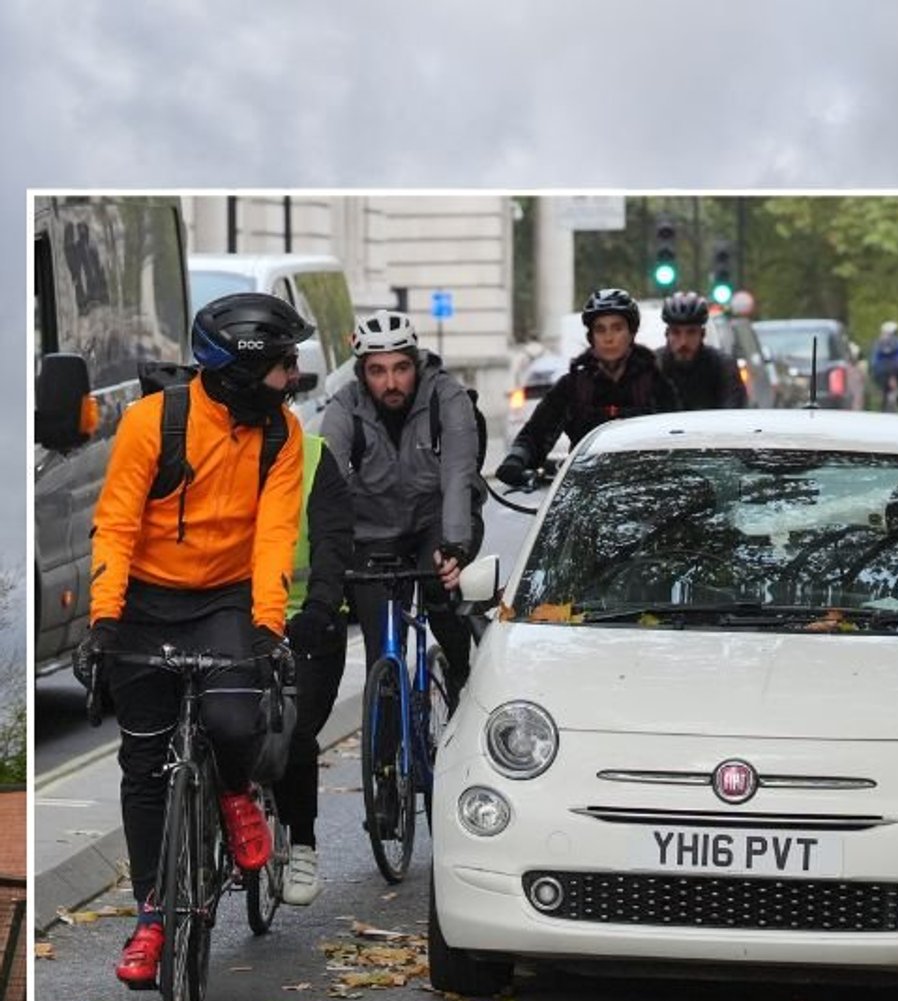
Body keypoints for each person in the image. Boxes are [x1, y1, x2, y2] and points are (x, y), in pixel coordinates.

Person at [74, 291, 308, 988]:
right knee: (143, 764)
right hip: (144, 600)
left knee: (234, 720)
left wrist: (268, 626)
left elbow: (273, 539)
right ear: (240, 369)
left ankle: (235, 791)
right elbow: (114, 523)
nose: (292, 375)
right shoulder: (153, 423)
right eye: (281, 364)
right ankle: (152, 917)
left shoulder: (282, 435)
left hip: (225, 600)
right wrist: (103, 621)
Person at [317, 310, 477, 711]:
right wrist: (328, 556)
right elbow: (327, 485)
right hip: (372, 530)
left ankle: (460, 671)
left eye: (401, 368)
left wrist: (455, 547)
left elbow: (458, 476)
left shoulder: (446, 397)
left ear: (416, 364)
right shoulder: (344, 408)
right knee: (381, 647)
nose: (391, 383)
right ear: (361, 373)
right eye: (377, 371)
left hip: (435, 520)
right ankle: (387, 755)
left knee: (441, 593)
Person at [271, 435, 356, 905]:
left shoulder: (311, 453)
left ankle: (301, 844)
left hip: (308, 620)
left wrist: (321, 607)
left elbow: (332, 541)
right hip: (237, 617)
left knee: (294, 730)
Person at [495, 287, 664, 487]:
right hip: (587, 493)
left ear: (631, 333)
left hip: (647, 491)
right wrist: (515, 460)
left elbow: (681, 437)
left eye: (617, 328)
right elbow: (535, 434)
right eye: (600, 329)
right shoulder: (573, 385)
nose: (608, 338)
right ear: (591, 337)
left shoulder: (656, 383)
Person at [656, 290, 748, 411]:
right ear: (667, 334)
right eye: (676, 333)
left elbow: (733, 412)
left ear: (702, 334)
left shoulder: (722, 366)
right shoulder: (653, 366)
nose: (683, 342)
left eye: (691, 332)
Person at [869, 320, 898, 411]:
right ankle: (897, 393)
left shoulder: (878, 343)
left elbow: (874, 359)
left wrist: (873, 368)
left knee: (884, 389)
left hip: (881, 370)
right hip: (897, 369)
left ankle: (885, 399)